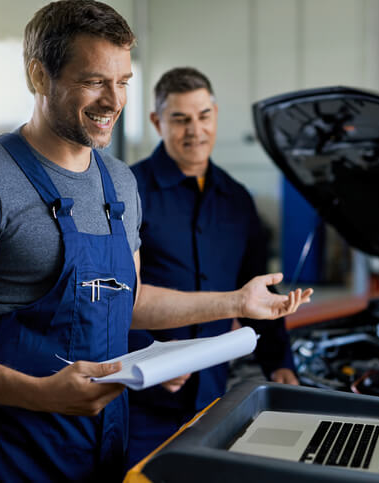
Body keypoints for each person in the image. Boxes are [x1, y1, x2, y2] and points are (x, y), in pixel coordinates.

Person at [0, 2, 311, 481]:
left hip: (104, 450)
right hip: (11, 456)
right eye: (94, 80)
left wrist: (235, 301)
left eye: (123, 83)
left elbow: (128, 299)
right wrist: (42, 393)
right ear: (38, 75)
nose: (114, 101)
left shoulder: (119, 182)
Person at [126, 67, 300, 468]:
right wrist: (145, 359)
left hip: (213, 396)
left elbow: (256, 289)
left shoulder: (237, 200)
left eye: (204, 116)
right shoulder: (129, 193)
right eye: (180, 119)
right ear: (157, 122)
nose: (195, 130)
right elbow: (113, 298)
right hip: (142, 398)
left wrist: (279, 361)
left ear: (216, 114)